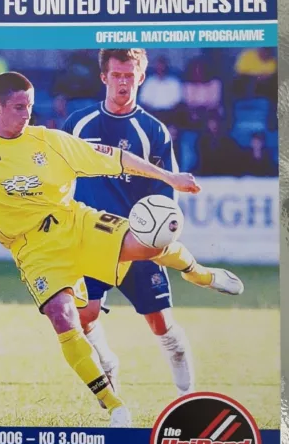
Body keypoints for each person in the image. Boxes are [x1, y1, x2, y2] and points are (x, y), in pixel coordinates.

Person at [0, 71, 243, 427]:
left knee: (148, 243)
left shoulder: (50, 141)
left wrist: (168, 175)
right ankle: (115, 406)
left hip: (76, 223)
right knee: (64, 317)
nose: (27, 113)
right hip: (35, 251)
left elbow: (115, 157)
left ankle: (201, 274)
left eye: (30, 105)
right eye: (18, 107)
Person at [62, 49, 200, 399]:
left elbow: (165, 187)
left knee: (158, 321)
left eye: (130, 75)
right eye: (117, 75)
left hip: (134, 239)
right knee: (84, 315)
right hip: (89, 236)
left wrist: (161, 230)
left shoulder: (153, 130)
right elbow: (59, 173)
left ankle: (176, 347)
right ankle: (107, 360)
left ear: (141, 77)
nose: (124, 82)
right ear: (104, 77)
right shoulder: (77, 124)